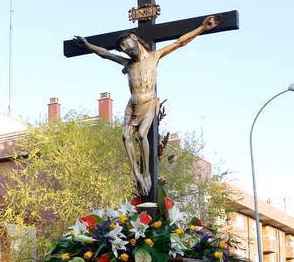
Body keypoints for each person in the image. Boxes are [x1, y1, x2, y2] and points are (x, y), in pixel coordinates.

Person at [74, 14, 221, 196]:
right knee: (125, 137)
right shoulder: (127, 63)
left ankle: (146, 174)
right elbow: (105, 54)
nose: (127, 49)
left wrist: (202, 27)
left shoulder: (154, 57)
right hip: (132, 105)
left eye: (127, 44)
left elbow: (179, 42)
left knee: (143, 134)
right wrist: (88, 45)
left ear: (134, 38)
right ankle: (137, 175)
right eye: (123, 49)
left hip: (148, 101)